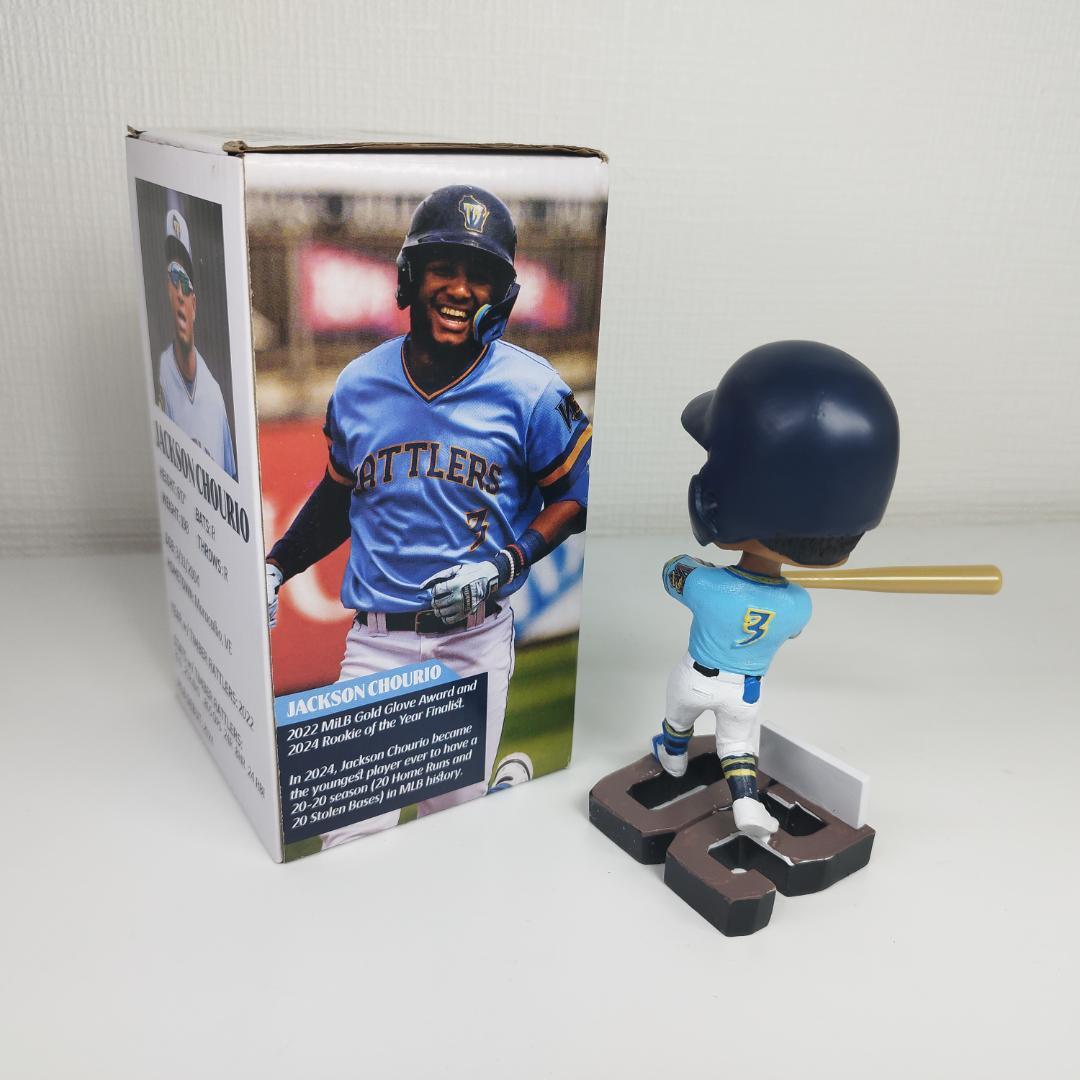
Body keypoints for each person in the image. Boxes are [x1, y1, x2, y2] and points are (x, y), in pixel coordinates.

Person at [265, 185, 592, 846]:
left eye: (481, 275)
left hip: (473, 640)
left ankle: (491, 794)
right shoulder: (358, 384)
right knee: (348, 840)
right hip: (377, 644)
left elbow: (578, 496)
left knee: (453, 834)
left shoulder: (532, 389)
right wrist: (278, 565)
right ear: (411, 276)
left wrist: (507, 562)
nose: (460, 289)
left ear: (503, 293)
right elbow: (339, 496)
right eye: (444, 267)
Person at [653, 341, 899, 841]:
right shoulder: (798, 606)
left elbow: (672, 571)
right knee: (738, 750)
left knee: (676, 724)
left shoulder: (711, 587)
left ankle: (673, 758)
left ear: (715, 504)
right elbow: (789, 630)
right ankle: (746, 802)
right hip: (747, 691)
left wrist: (700, 568)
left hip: (696, 678)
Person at [157, 208, 237, 480]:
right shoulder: (160, 371)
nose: (180, 293)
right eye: (173, 278)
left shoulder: (214, 396)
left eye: (185, 282)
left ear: (195, 305)